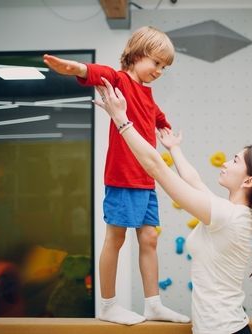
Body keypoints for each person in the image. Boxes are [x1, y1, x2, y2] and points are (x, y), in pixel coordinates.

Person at [94, 78, 252, 334]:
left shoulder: (228, 216)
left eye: (236, 160)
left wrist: (122, 120)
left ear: (249, 180)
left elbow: (155, 167)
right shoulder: (230, 213)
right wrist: (174, 148)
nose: (226, 163)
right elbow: (193, 180)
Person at [43, 26, 190, 325]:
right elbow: (99, 73)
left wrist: (166, 130)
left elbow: (156, 115)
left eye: (164, 67)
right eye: (157, 63)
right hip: (123, 177)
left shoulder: (147, 94)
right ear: (137, 55)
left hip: (146, 178)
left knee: (149, 238)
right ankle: (108, 304)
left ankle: (153, 304)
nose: (160, 71)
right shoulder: (120, 80)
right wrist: (77, 68)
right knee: (116, 238)